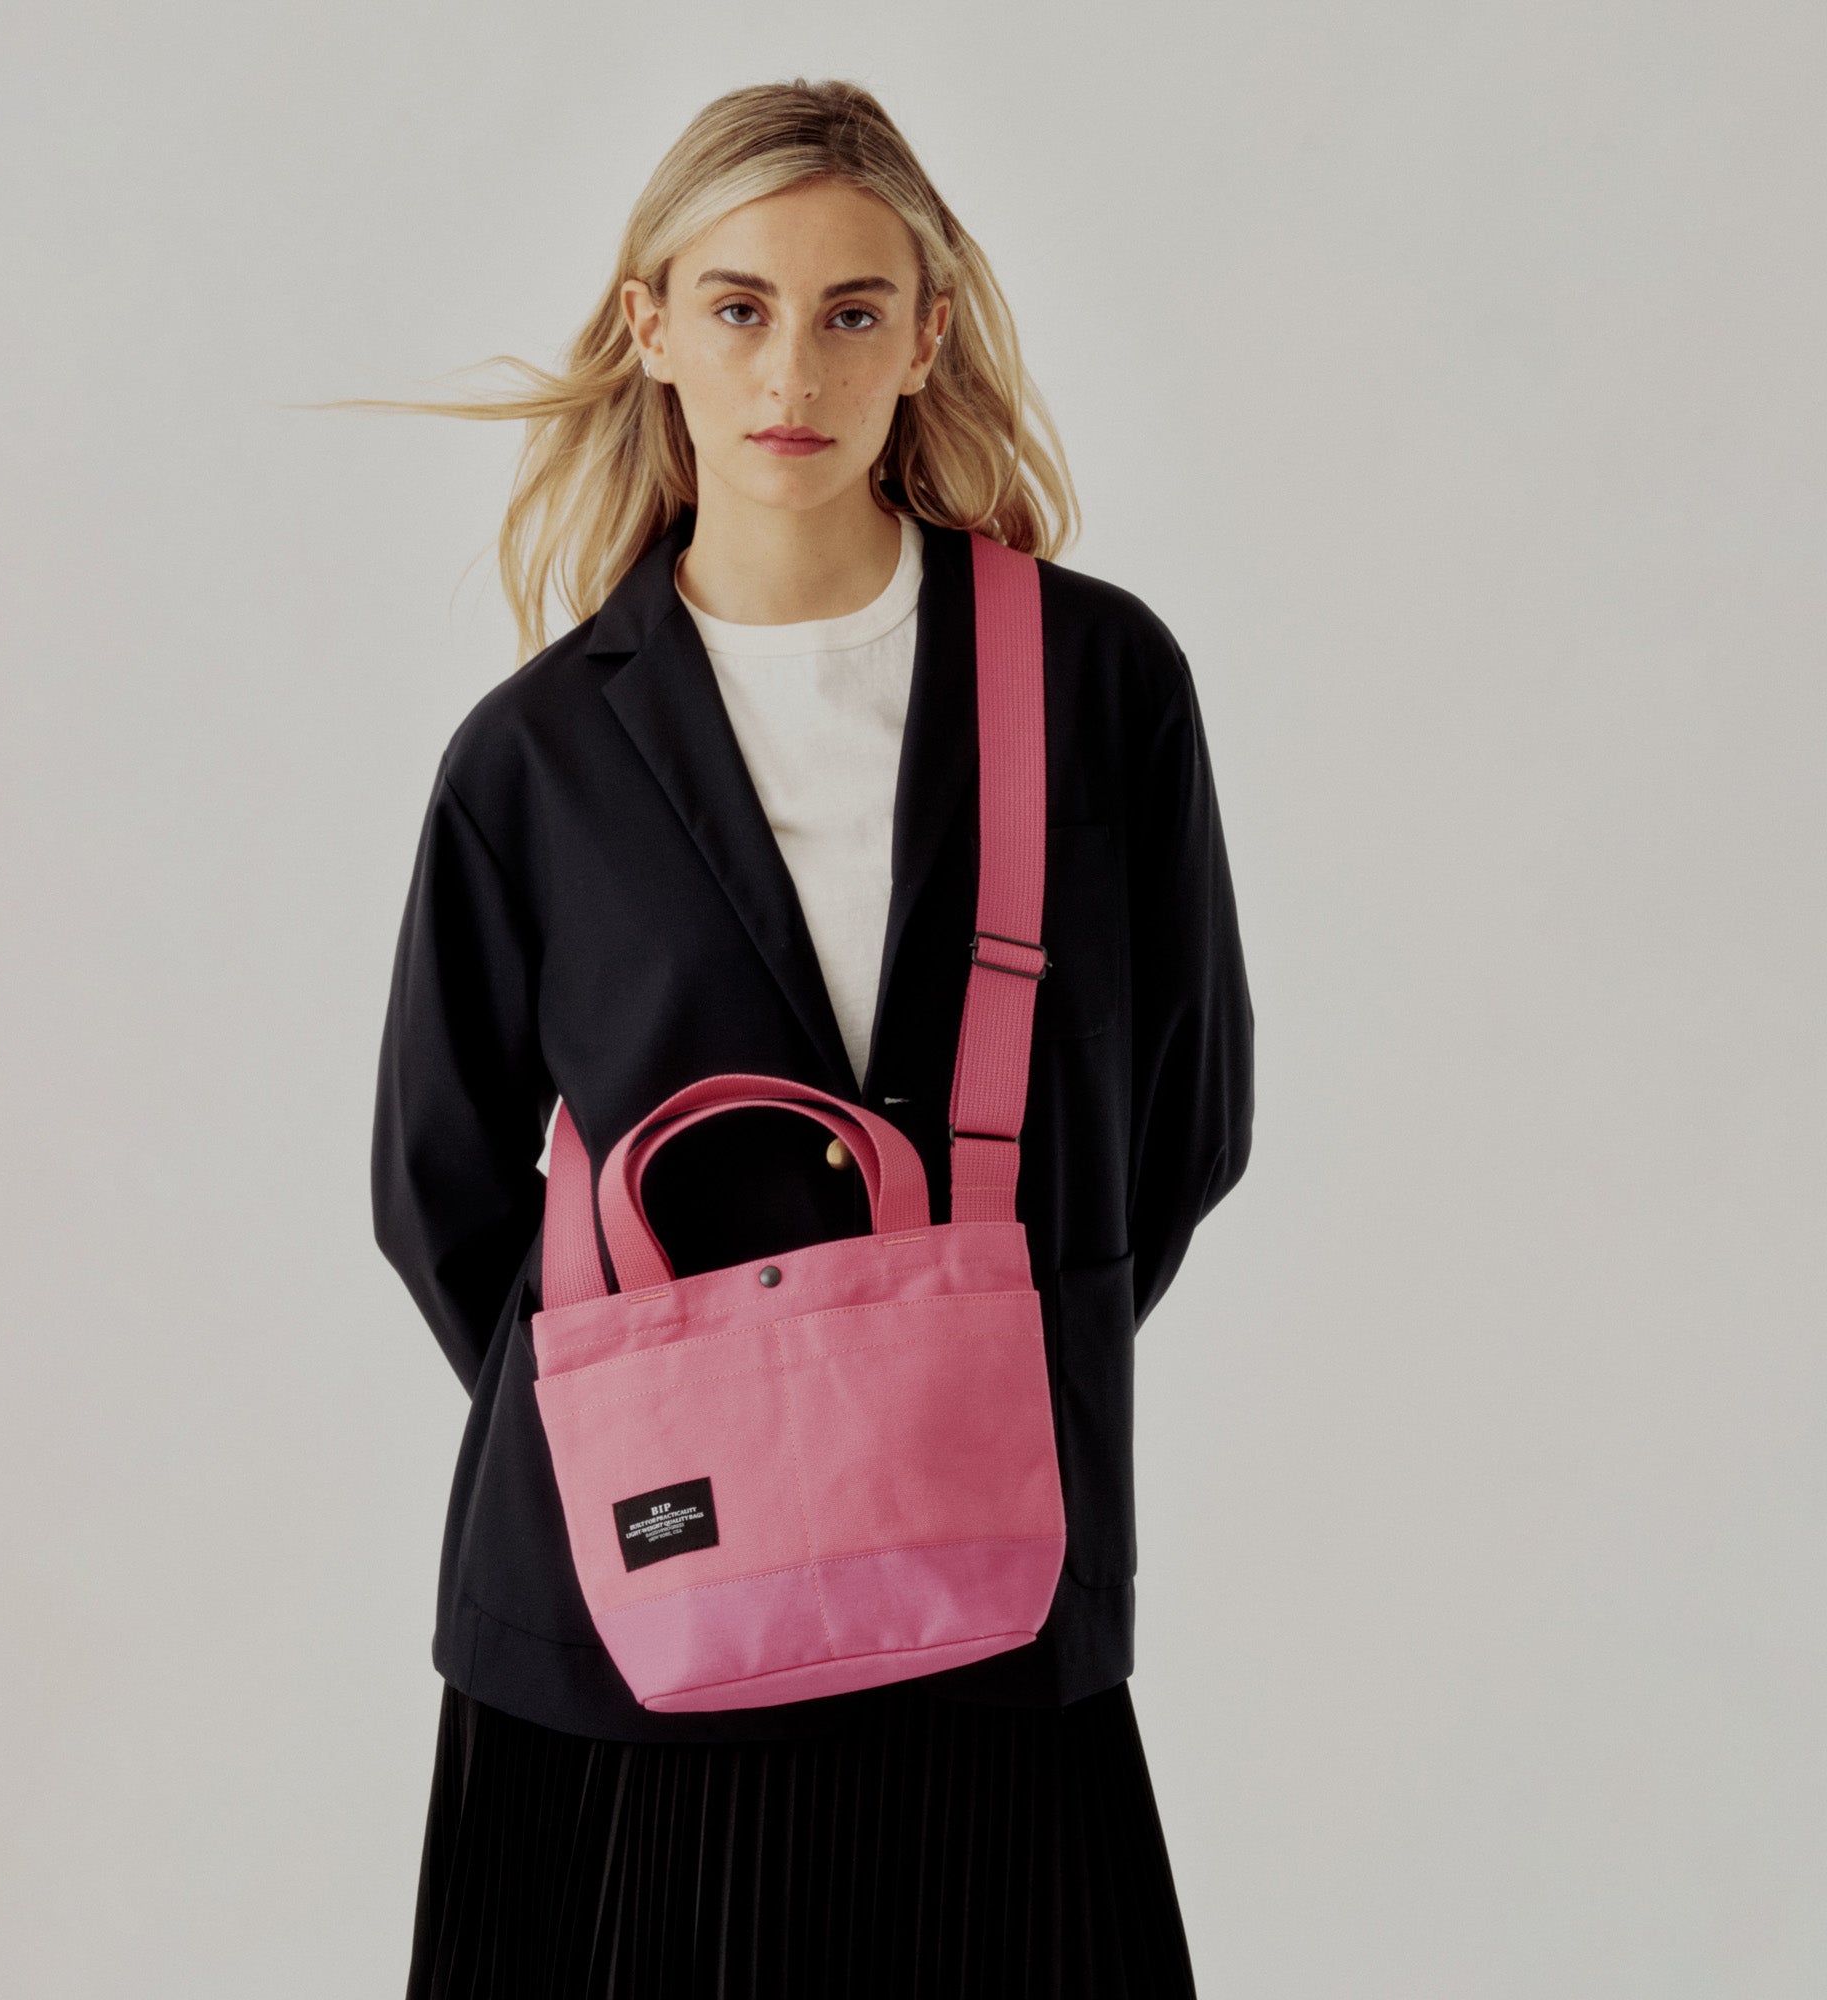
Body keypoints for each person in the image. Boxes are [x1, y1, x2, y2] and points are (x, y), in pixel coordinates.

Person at [366, 76, 1254, 1998]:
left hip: (986, 1588)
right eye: (740, 304)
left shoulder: (1097, 681)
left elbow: (1183, 1125)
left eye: (855, 310)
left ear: (927, 336)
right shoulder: (532, 756)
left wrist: (923, 1388)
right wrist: (689, 1420)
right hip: (627, 1632)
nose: (795, 369)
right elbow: (437, 1186)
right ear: (651, 328)